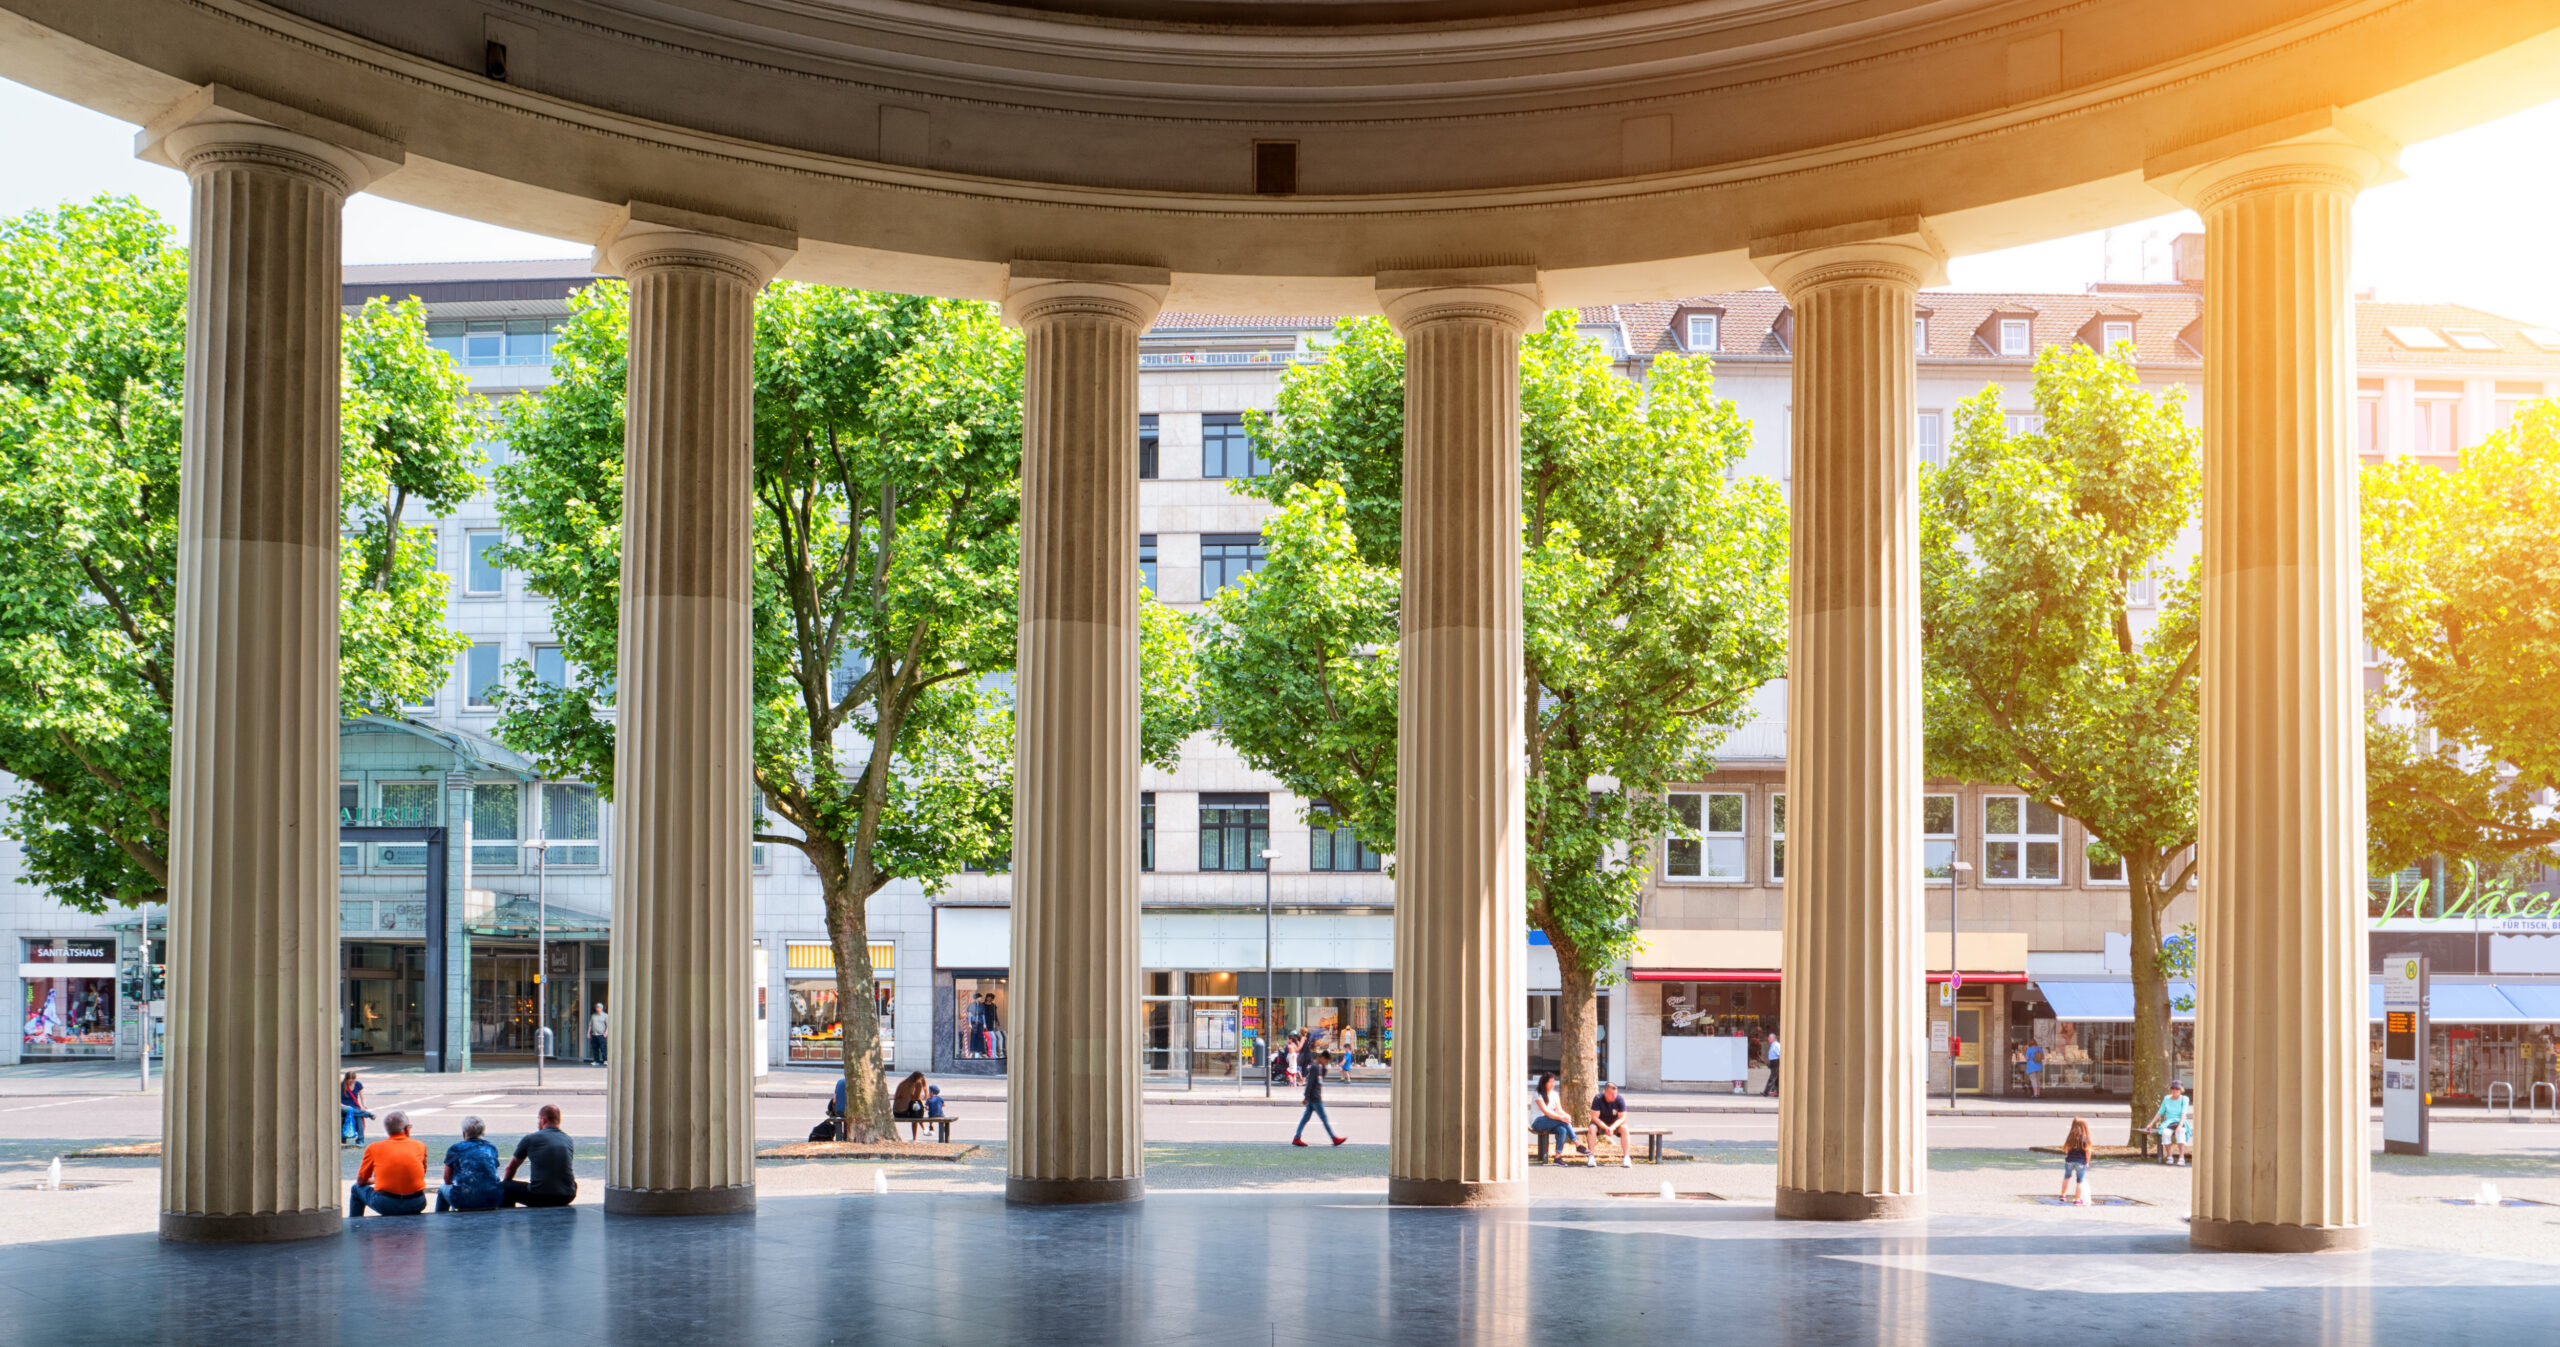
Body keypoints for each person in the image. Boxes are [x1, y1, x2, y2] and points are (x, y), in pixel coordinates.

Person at [348, 1110, 429, 1217]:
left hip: (386, 1204)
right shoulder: (420, 1146)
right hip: (416, 1202)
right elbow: (421, 1172)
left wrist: (374, 1180)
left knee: (356, 1189)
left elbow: (360, 1182)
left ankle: (355, 1225)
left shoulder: (373, 1148)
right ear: (406, 1129)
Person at [502, 1104, 578, 1207]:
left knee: (505, 1187)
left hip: (540, 1196)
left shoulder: (530, 1139)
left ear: (543, 1120)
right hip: (567, 1195)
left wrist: (507, 1184)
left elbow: (510, 1168)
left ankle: (509, 1218)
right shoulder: (568, 1140)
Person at [437, 1116, 504, 1213]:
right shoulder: (491, 1147)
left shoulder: (455, 1149)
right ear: (483, 1132)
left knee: (442, 1189)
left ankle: (439, 1220)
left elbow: (447, 1180)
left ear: (463, 1133)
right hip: (493, 1199)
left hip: (464, 1201)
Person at [1530, 1072, 1594, 1166]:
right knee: (1563, 1121)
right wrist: (1561, 1118)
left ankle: (1557, 1157)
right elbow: (1547, 1112)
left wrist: (1566, 1115)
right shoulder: (1538, 1094)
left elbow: (1559, 1110)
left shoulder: (1555, 1094)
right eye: (1550, 1082)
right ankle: (1577, 1144)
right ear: (1544, 1083)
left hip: (1551, 1121)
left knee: (1562, 1129)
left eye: (1553, 1082)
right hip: (1538, 1122)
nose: (1552, 1084)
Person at [1290, 1050, 1348, 1147]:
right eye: (1326, 1061)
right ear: (1322, 1058)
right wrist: (1306, 1097)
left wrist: (1324, 1068)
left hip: (1314, 1098)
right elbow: (1310, 1083)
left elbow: (1320, 1079)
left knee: (1305, 1119)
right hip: (1315, 1098)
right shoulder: (1314, 1067)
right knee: (1324, 1119)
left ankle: (1297, 1137)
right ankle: (1334, 1138)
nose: (1326, 1063)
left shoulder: (1319, 1067)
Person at [2146, 1082, 2191, 1166]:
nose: (2174, 1090)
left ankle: (2181, 1156)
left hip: (2180, 1121)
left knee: (2180, 1132)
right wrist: (2151, 1123)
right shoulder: (2166, 1098)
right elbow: (2160, 1112)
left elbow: (2183, 1114)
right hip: (2169, 1122)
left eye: (2177, 1089)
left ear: (2181, 1090)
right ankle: (2169, 1155)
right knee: (2165, 1133)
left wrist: (2180, 1126)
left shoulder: (2184, 1099)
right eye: (2173, 1088)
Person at [1590, 1081, 1633, 1167]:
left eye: (1615, 1094)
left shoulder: (1620, 1099)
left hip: (1615, 1124)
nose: (1614, 1096)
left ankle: (1626, 1157)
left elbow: (1622, 1118)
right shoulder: (1598, 1099)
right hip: (1601, 1124)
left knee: (1625, 1128)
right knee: (1592, 1128)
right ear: (1605, 1092)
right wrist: (1606, 1127)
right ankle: (1591, 1156)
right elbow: (1594, 1117)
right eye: (1611, 1094)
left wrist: (1612, 1127)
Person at [2058, 1116, 2092, 1204]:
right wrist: (2087, 1162)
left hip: (2069, 1161)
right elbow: (2088, 1151)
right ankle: (2077, 1200)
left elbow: (2066, 1149)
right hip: (2081, 1162)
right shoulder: (2085, 1138)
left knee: (2067, 1177)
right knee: (2079, 1181)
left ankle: (2063, 1194)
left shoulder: (2070, 1138)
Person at [339, 1069, 373, 1146]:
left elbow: (362, 1097)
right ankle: (367, 1114)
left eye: (353, 1081)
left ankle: (360, 1140)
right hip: (344, 1107)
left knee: (359, 1118)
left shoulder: (358, 1084)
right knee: (350, 1110)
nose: (351, 1083)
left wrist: (363, 1106)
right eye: (350, 1081)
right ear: (346, 1080)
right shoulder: (341, 1085)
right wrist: (343, 1105)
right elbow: (337, 1100)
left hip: (354, 1107)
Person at [893, 1071, 929, 1139]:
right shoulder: (915, 1085)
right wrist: (925, 1093)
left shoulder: (902, 1083)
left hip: (896, 1113)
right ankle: (916, 1136)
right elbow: (916, 1098)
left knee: (914, 1112)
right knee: (916, 1112)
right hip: (904, 1113)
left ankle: (923, 1129)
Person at [1761, 1033, 1783, 1097]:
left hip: (1776, 1061)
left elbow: (1780, 1054)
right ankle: (1778, 1092)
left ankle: (1766, 1092)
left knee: (1772, 1078)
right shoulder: (1773, 1045)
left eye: (1769, 1038)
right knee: (1776, 1078)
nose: (1768, 1039)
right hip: (1773, 1062)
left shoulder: (1776, 1045)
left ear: (1773, 1038)